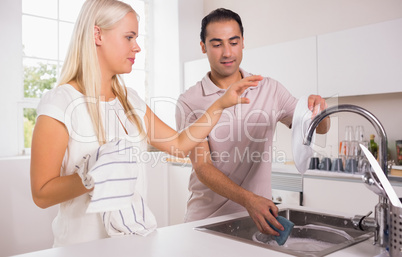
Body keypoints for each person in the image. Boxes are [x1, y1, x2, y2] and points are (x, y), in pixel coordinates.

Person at [30, 0, 263, 247]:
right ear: (97, 34)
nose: (137, 47)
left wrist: (220, 105)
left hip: (134, 244)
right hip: (80, 249)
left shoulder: (131, 101)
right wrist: (93, 177)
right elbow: (41, 194)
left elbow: (179, 145)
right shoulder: (61, 103)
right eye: (129, 37)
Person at [175, 8, 330, 236]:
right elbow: (203, 167)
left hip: (258, 218)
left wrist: (318, 111)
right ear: (203, 47)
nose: (227, 52)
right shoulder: (190, 101)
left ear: (243, 43)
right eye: (217, 44)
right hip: (206, 222)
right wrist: (249, 200)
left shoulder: (270, 89)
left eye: (233, 42)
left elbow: (316, 128)